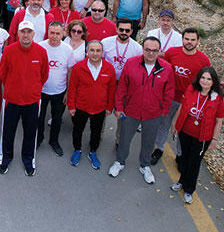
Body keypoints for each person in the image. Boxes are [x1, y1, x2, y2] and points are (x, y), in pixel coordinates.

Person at [108, 37, 174, 185]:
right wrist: (118, 107)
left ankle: (145, 165)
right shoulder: (131, 63)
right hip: (131, 110)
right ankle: (119, 162)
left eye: (155, 50)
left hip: (153, 113)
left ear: (159, 51)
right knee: (124, 138)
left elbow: (169, 92)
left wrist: (164, 111)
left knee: (149, 141)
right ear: (142, 49)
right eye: (147, 50)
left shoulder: (167, 68)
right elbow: (122, 87)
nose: (151, 53)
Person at [151, 27, 212, 166]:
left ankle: (180, 155)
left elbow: (207, 79)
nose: (189, 42)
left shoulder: (203, 60)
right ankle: (159, 149)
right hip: (170, 97)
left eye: (192, 40)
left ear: (198, 41)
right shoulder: (172, 53)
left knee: (183, 130)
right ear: (182, 39)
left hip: (190, 101)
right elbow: (162, 69)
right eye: (187, 39)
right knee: (163, 124)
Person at [0, 21, 50, 176]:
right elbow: (3, 74)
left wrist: (32, 90)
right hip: (11, 100)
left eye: (29, 32)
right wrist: (13, 89)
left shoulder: (41, 52)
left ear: (34, 34)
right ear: (18, 33)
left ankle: (28, 159)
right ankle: (5, 158)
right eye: (23, 31)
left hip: (32, 101)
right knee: (8, 132)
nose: (26, 35)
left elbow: (44, 75)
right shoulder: (9, 50)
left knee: (30, 133)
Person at [168, 67, 224, 204]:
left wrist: (214, 139)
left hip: (202, 137)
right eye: (203, 78)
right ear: (199, 79)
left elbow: (219, 120)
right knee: (184, 159)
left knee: (195, 163)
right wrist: (175, 124)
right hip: (186, 132)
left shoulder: (217, 98)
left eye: (209, 79)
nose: (205, 81)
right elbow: (182, 107)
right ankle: (181, 181)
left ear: (213, 82)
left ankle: (189, 189)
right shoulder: (191, 90)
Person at [67, 40, 117, 169]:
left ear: (102, 53)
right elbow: (72, 88)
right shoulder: (78, 67)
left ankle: (92, 152)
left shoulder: (109, 68)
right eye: (92, 50)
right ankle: (77, 150)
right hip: (81, 107)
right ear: (87, 51)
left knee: (96, 132)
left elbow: (111, 90)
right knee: (77, 130)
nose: (95, 53)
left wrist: (109, 107)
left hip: (100, 108)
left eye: (98, 51)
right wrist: (71, 106)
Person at [36, 21, 75, 156]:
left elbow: (70, 72)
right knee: (39, 118)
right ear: (48, 32)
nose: (54, 36)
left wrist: (68, 92)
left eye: (57, 33)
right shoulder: (40, 47)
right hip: (41, 91)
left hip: (59, 91)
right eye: (51, 33)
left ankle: (54, 141)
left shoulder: (68, 49)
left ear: (63, 34)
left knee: (57, 118)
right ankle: (39, 139)